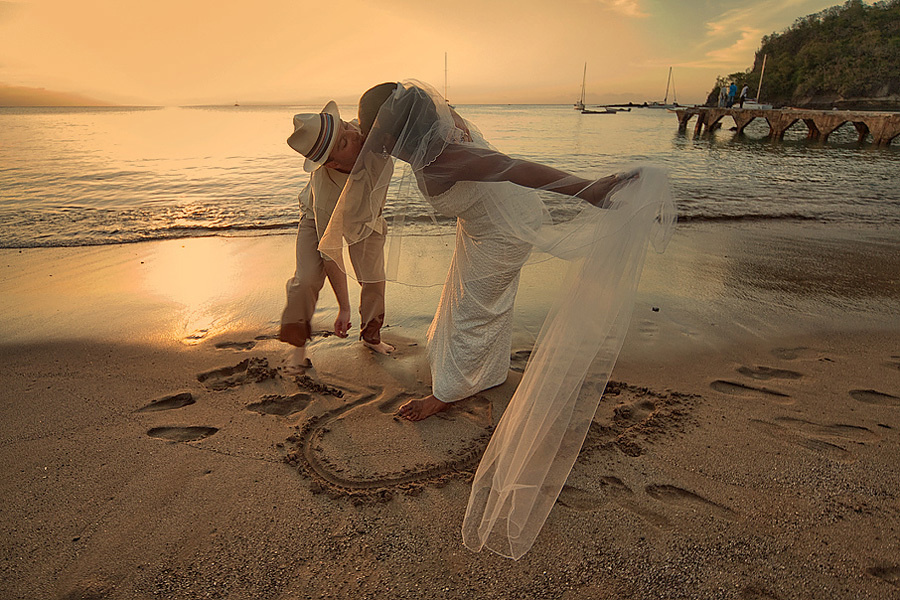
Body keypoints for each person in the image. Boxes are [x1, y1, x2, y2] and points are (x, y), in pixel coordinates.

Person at [319, 79, 675, 559]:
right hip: (484, 222)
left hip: (503, 232)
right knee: (465, 299)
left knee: (473, 312)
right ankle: (481, 371)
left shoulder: (442, 155)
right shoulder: (443, 127)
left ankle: (448, 393)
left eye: (374, 128)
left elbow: (512, 167)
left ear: (398, 131)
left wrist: (589, 191)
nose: (368, 136)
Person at [279, 101, 394, 368]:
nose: (354, 135)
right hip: (316, 217)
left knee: (374, 278)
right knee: (306, 280)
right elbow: (330, 252)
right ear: (330, 163)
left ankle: (371, 336)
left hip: (367, 215)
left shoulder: (369, 135)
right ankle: (297, 344)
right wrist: (344, 307)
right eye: (344, 143)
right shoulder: (325, 196)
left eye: (345, 127)